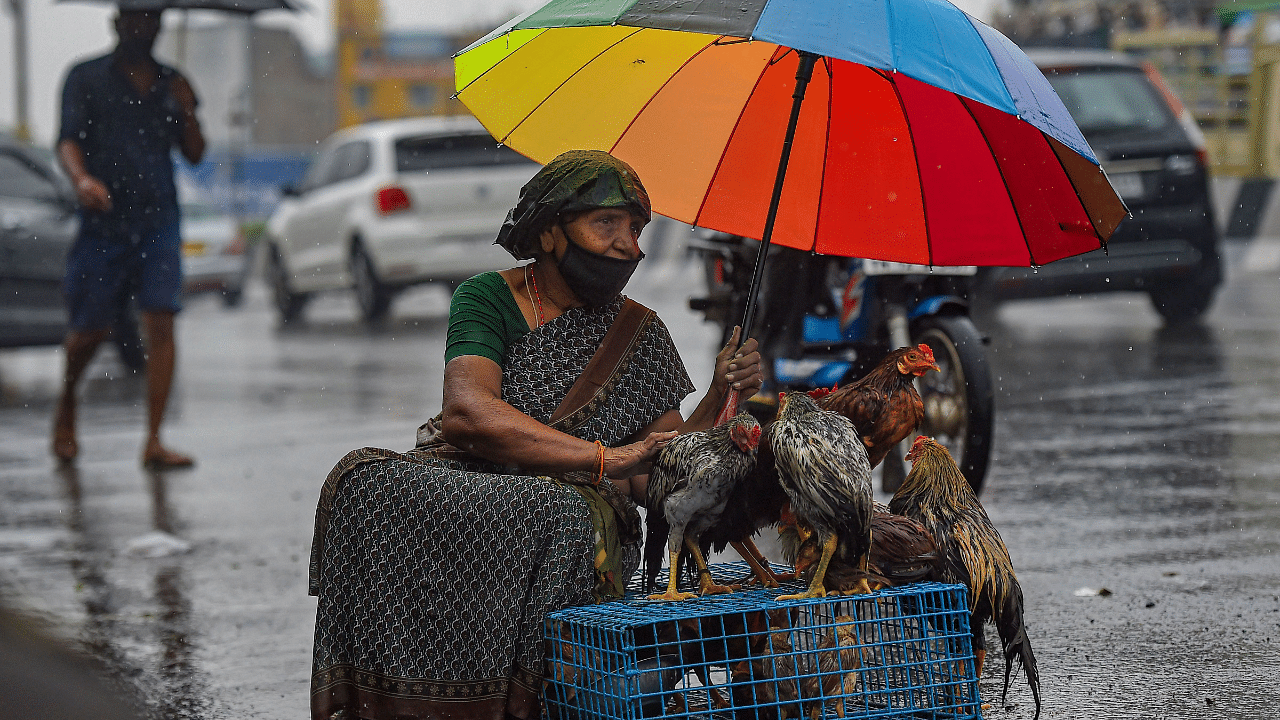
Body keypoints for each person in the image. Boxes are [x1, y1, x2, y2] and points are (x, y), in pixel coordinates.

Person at [308, 150, 763, 720]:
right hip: (472, 489)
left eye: (638, 229)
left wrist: (721, 394)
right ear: (550, 233)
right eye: (607, 224)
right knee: (363, 484)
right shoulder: (486, 297)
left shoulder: (641, 332)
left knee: (564, 514)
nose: (631, 246)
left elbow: (664, 482)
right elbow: (468, 413)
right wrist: (605, 458)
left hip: (569, 518)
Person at [51, 8, 206, 468]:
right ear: (117, 23)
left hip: (159, 220)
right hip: (104, 223)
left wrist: (189, 112)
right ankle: (67, 402)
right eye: (136, 19)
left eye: (152, 20)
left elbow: (195, 154)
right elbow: (67, 140)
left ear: (160, 26)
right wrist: (81, 179)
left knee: (161, 321)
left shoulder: (173, 83)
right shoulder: (85, 77)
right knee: (89, 332)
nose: (145, 29)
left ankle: (154, 439)